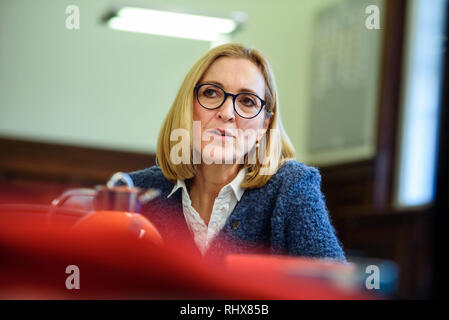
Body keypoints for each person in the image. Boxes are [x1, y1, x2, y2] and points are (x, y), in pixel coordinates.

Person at [127, 43, 345, 261]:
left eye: (247, 101)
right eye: (211, 93)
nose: (227, 112)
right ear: (187, 106)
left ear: (263, 127)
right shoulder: (135, 192)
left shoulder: (292, 188)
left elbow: (336, 289)